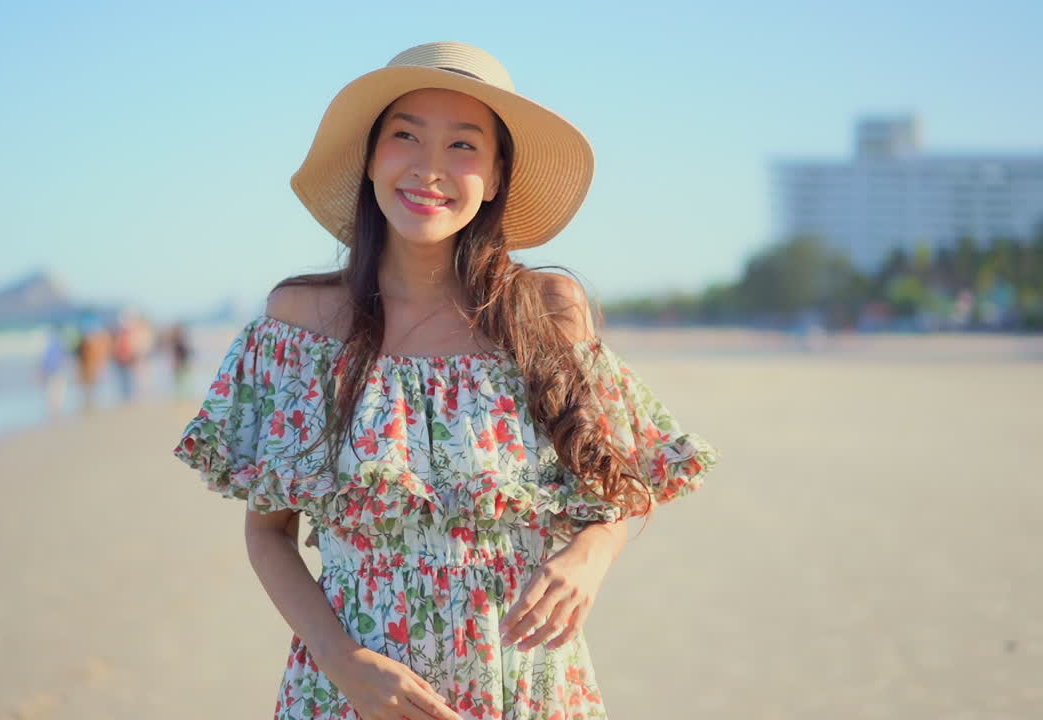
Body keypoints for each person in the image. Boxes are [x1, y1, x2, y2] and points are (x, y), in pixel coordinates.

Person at [172, 42, 719, 720]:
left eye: (464, 145)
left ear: (494, 177)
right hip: (355, 695)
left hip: (526, 687)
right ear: (371, 158)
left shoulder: (545, 312)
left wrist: (588, 559)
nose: (430, 168)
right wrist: (343, 663)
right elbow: (268, 534)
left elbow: (624, 484)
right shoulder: (303, 323)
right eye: (406, 136)